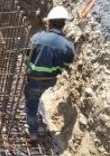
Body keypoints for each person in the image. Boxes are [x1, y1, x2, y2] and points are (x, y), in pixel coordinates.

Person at [25, 6, 74, 141]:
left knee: (32, 103)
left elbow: (27, 57)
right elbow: (66, 66)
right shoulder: (68, 46)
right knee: (40, 98)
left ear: (49, 22)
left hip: (34, 78)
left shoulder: (37, 37)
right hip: (50, 81)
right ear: (63, 24)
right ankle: (40, 124)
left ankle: (32, 131)